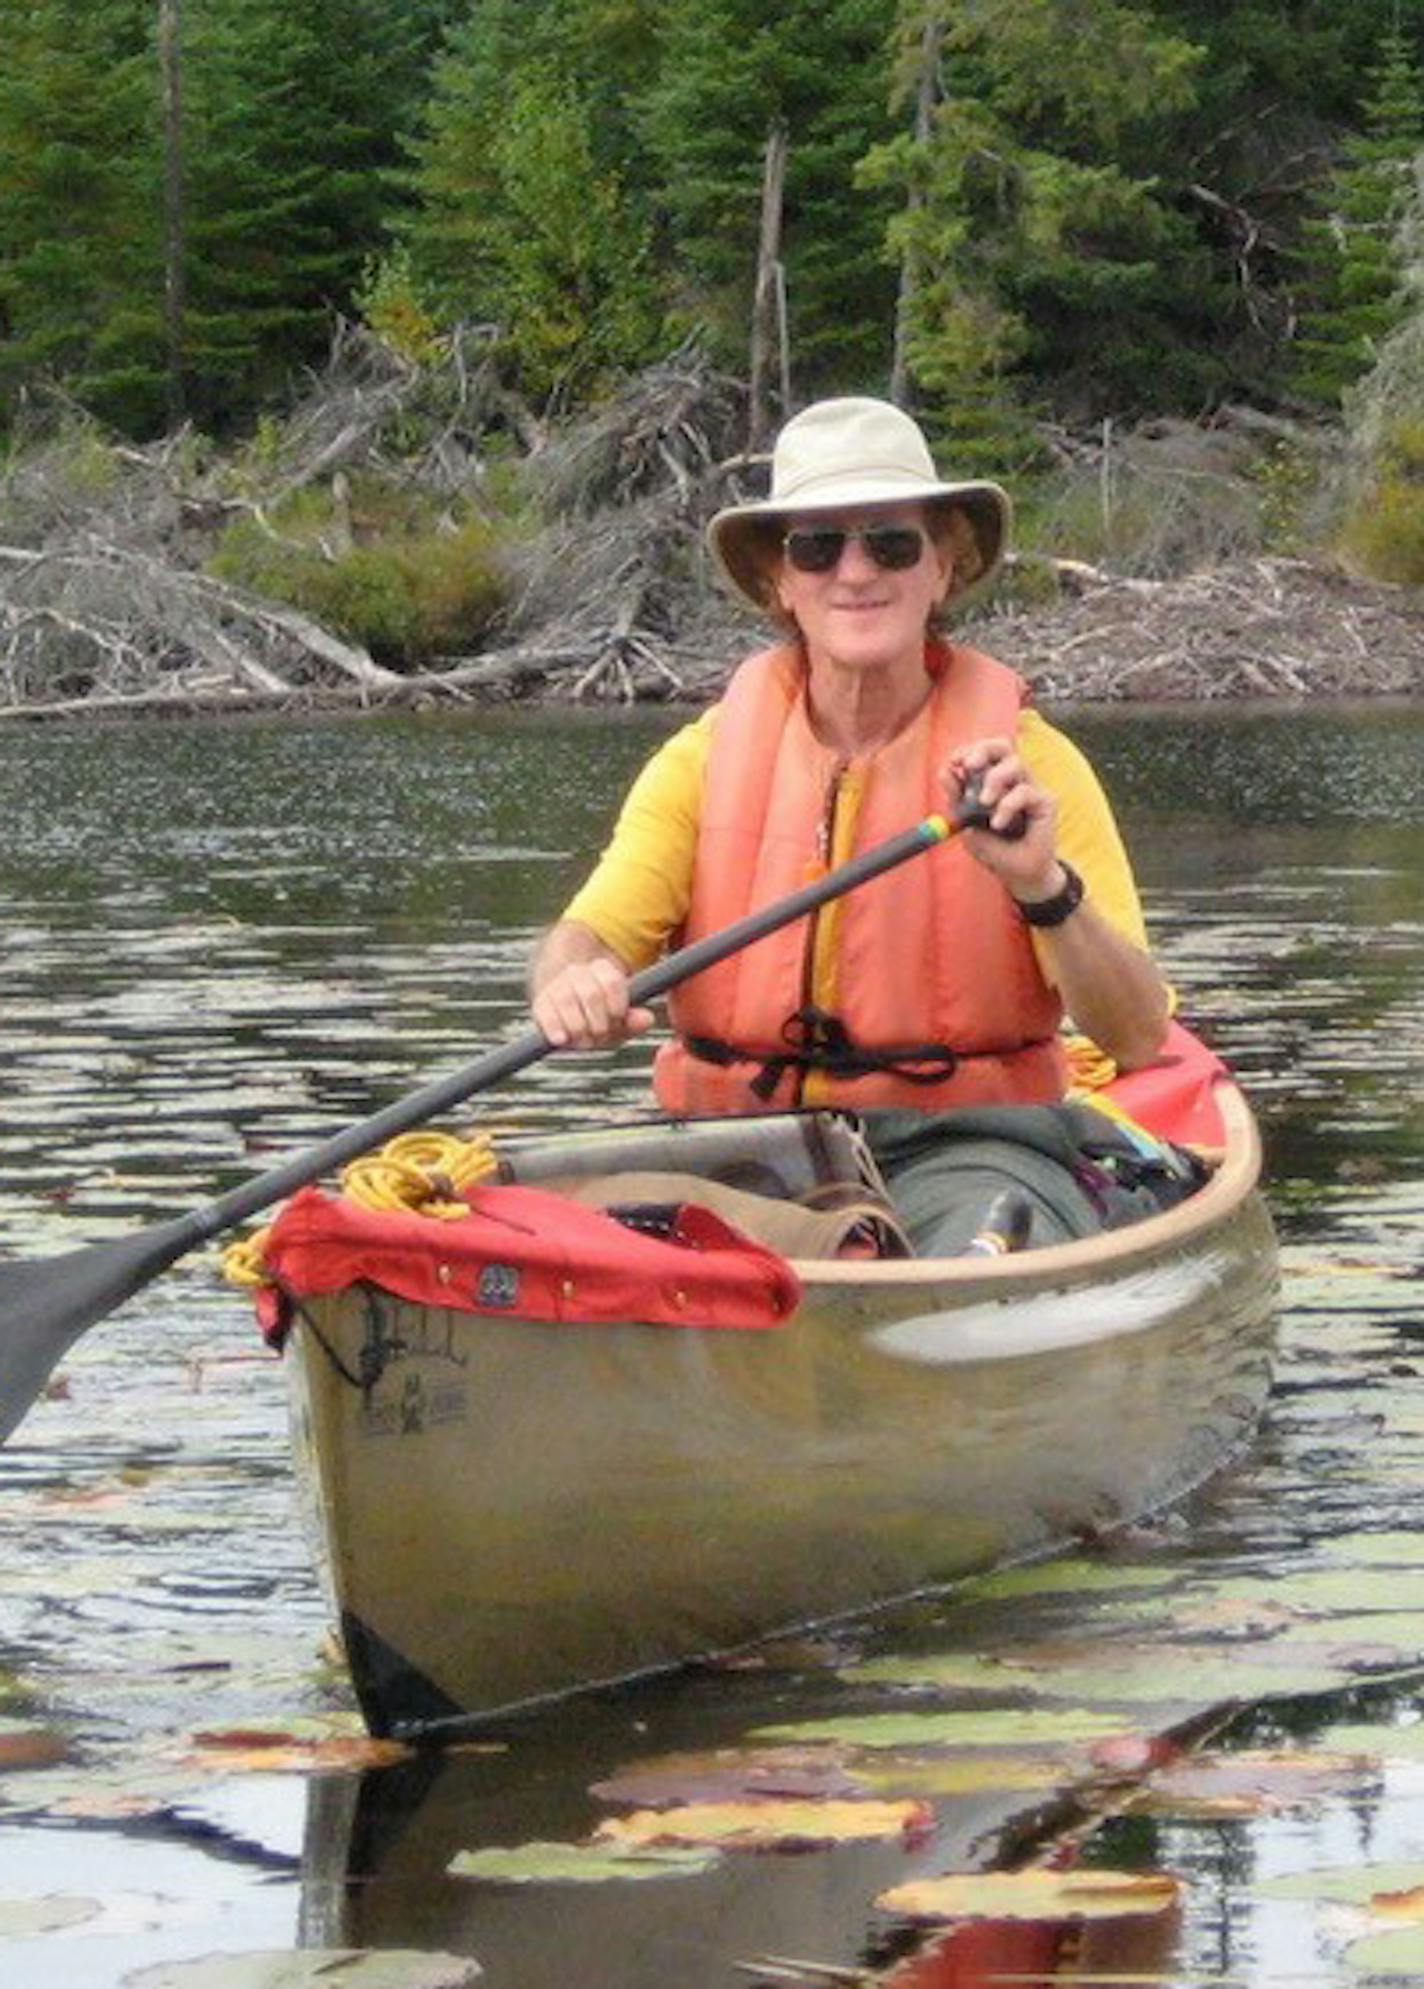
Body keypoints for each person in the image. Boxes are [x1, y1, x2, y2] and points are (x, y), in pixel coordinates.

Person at [529, 397, 1175, 1252]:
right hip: (742, 1151)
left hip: (970, 1148)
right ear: (780, 582)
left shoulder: (1033, 765)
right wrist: (571, 985)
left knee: (972, 1250)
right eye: (818, 546)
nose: (856, 571)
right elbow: (586, 939)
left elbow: (1133, 1035)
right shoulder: (702, 760)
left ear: (943, 566)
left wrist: (1040, 887)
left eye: (891, 542)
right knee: (560, 1240)